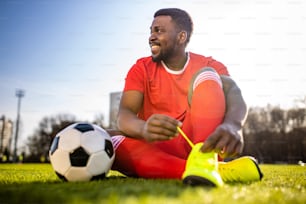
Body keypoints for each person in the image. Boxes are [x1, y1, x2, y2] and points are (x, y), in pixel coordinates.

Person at [110, 8, 263, 186]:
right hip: (155, 147)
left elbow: (233, 92)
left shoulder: (209, 63)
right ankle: (213, 171)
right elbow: (124, 114)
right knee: (107, 140)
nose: (152, 36)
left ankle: (204, 160)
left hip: (200, 141)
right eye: (151, 31)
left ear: (181, 37)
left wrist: (234, 125)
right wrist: (144, 128)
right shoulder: (141, 68)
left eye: (159, 31)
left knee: (207, 74)